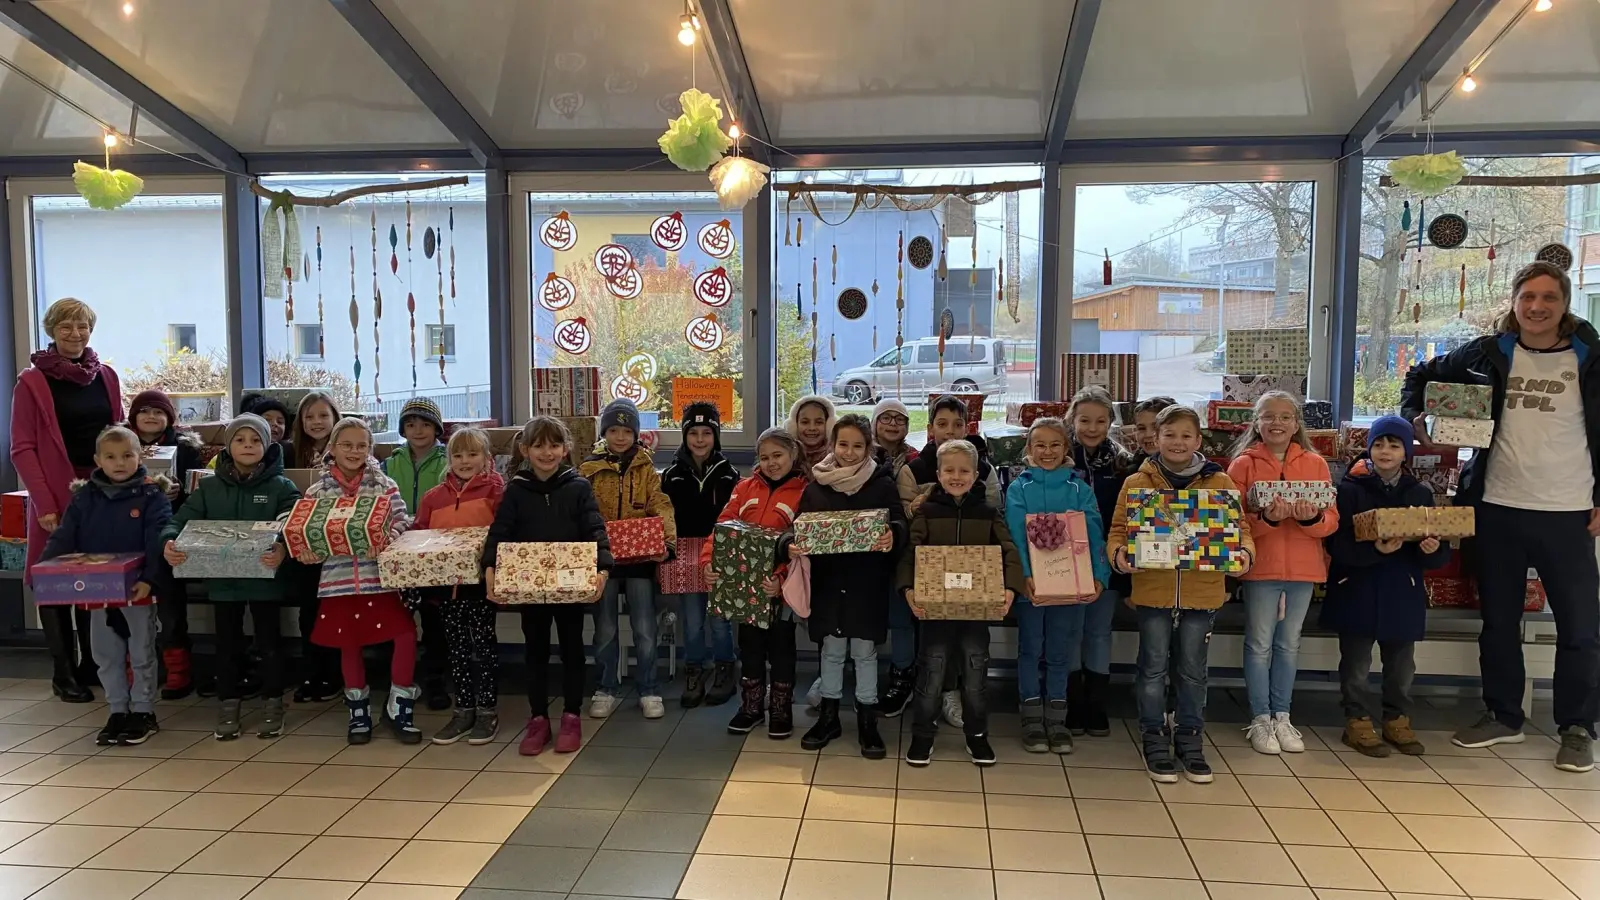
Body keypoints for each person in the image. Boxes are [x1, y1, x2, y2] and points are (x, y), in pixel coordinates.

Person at [1402, 260, 1600, 773]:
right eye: (1527, 297)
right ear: (1514, 302)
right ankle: (1503, 716)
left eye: (1548, 298)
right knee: (1499, 622)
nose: (1537, 307)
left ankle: (1577, 727)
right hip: (1497, 506)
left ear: (1564, 303)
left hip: (1570, 509)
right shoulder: (1489, 353)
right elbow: (1420, 375)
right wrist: (1415, 419)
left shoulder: (1590, 354)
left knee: (1580, 626)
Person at [1110, 404, 1255, 784]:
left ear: (1199, 440)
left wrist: (1243, 556)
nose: (1177, 442)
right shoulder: (1137, 483)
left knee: (1193, 671)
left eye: (1186, 435)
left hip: (1202, 592)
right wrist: (1121, 556)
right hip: (1153, 591)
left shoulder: (1220, 483)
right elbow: (1118, 531)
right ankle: (1153, 734)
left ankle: (1190, 737)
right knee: (1153, 667)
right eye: (1169, 435)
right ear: (1154, 439)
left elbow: (1241, 531)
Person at [10, 298, 123, 702]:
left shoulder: (105, 376)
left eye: (83, 326)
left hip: (98, 490)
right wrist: (45, 504)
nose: (75, 334)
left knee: (91, 576)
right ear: (51, 330)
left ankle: (89, 664)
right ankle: (63, 672)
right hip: (54, 492)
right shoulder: (32, 382)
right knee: (53, 581)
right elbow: (22, 449)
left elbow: (118, 436)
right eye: (66, 327)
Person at [160, 414, 299, 740]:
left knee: (269, 644)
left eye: (255, 441)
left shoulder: (281, 487)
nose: (248, 446)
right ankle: (228, 704)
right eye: (240, 440)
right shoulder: (209, 488)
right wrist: (168, 543)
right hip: (222, 582)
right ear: (228, 446)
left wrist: (282, 548)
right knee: (227, 646)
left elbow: (294, 524)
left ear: (268, 446)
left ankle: (272, 702)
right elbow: (177, 522)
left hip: (266, 580)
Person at [1324, 416, 1449, 757]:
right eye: (1378, 444)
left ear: (1406, 452)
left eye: (1394, 445)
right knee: (1356, 664)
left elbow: (1438, 547)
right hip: (1357, 589)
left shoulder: (1419, 493)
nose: (1385, 451)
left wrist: (1432, 549)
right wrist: (1374, 549)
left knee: (1401, 665)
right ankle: (1358, 721)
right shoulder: (1348, 489)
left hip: (1402, 591)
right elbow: (1336, 545)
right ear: (1369, 447)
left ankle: (1397, 719)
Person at [485, 417, 610, 755]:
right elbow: (499, 533)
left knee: (572, 650)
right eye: (538, 445)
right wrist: (490, 569)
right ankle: (538, 718)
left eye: (554, 445)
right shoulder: (516, 489)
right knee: (535, 651)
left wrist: (602, 570)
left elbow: (595, 531)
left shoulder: (578, 487)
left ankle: (571, 716)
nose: (547, 452)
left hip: (571, 589)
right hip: (530, 590)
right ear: (525, 449)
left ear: (565, 449)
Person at [292, 417, 419, 746]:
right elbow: (308, 532)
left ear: (371, 449)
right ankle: (358, 709)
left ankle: (399, 705)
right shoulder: (317, 491)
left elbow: (403, 518)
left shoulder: (383, 484)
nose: (354, 451)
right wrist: (308, 550)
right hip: (339, 582)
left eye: (362, 445)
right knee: (349, 645)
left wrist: (389, 535)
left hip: (381, 579)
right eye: (346, 445)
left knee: (405, 635)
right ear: (332, 448)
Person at [40, 425, 170, 745]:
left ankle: (142, 711)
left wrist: (150, 580)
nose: (120, 463)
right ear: (98, 460)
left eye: (127, 455)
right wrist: (44, 573)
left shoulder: (152, 494)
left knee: (141, 651)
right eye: (111, 457)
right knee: (105, 653)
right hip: (97, 591)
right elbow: (65, 535)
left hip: (138, 589)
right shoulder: (85, 496)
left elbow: (158, 539)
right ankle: (117, 710)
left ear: (140, 456)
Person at [1227, 391, 1339, 756]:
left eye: (1285, 416)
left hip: (1304, 570)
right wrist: (1268, 520)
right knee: (1259, 644)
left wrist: (1309, 518)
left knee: (1289, 644)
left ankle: (1283, 715)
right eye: (1268, 416)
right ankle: (1260, 718)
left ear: (1296, 424)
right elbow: (1232, 524)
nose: (1277, 423)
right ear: (1256, 422)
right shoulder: (1242, 465)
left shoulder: (1316, 464)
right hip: (1261, 568)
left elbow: (1330, 523)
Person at [901, 439, 1025, 767]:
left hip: (975, 613)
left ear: (975, 474)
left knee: (975, 675)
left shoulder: (987, 512)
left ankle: (977, 736)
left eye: (964, 470)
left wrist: (1011, 588)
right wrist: (908, 590)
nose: (957, 476)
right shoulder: (926, 511)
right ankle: (922, 735)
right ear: (938, 474)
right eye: (949, 470)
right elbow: (911, 554)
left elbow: (1008, 550)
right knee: (931, 672)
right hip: (934, 612)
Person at [793, 414, 905, 758]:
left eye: (858, 446)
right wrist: (793, 544)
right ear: (832, 445)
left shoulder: (882, 485)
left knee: (864, 652)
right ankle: (829, 716)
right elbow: (799, 527)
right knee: (831, 649)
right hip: (828, 585)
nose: (850, 452)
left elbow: (900, 521)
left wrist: (893, 535)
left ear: (869, 447)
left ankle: (867, 719)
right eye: (843, 444)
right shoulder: (816, 487)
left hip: (865, 585)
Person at [1005, 416, 1108, 753]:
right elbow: (1016, 537)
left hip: (1071, 587)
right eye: (1040, 445)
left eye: (1054, 445)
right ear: (1029, 449)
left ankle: (1057, 719)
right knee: (1031, 649)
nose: (1047, 451)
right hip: (1032, 587)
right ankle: (1031, 717)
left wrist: (1099, 576)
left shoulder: (1080, 489)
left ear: (1066, 448)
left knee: (1060, 652)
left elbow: (1094, 535)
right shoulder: (1019, 488)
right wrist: (1024, 578)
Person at [899, 394, 1001, 727]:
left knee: (966, 640)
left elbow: (992, 515)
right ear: (930, 429)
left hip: (973, 571)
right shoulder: (914, 469)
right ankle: (927, 690)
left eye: (958, 424)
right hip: (929, 571)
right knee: (933, 641)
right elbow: (908, 517)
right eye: (942, 424)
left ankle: (953, 692)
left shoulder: (984, 469)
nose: (950, 431)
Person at [579, 399, 677, 720]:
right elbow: (582, 511)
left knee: (645, 628)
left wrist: (667, 541)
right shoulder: (589, 469)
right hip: (603, 564)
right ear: (604, 431)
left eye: (627, 430)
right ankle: (606, 687)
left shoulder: (646, 469)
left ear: (636, 433)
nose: (620, 437)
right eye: (613, 430)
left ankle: (649, 688)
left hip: (640, 563)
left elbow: (660, 505)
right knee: (604, 628)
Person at [709, 428, 808, 738]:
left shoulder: (805, 492)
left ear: (793, 455)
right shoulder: (744, 488)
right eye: (764, 457)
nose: (771, 462)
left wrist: (779, 580)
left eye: (778, 455)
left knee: (782, 648)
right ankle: (751, 706)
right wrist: (708, 564)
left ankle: (781, 707)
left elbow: (802, 544)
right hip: (744, 588)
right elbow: (723, 527)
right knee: (749, 646)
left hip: (779, 590)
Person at [415, 427, 506, 746]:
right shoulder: (433, 498)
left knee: (484, 649)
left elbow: (503, 536)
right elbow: (418, 536)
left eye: (472, 454)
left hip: (480, 587)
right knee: (456, 651)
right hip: (445, 590)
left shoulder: (495, 493)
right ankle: (463, 709)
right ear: (448, 458)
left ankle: (487, 711)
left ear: (485, 457)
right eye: (457, 454)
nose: (465, 460)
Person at [1063, 387, 1134, 737]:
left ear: (1110, 423)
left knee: (1098, 631)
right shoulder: (1059, 458)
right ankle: (1073, 702)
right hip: (1064, 559)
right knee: (1072, 631)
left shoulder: (1123, 462)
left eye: (1100, 421)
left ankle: (1097, 703)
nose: (1092, 428)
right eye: (1084, 420)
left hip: (1106, 559)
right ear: (1071, 420)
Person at [126, 388, 204, 701]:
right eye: (144, 411)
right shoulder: (121, 445)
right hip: (129, 537)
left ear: (169, 418)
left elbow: (196, 492)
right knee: (129, 606)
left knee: (171, 605)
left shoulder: (185, 448)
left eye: (158, 412)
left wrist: (177, 495)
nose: (151, 417)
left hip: (171, 536)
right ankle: (137, 668)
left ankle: (178, 669)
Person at [660, 402, 739, 708]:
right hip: (683, 555)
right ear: (685, 435)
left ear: (716, 436)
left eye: (707, 432)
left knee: (720, 620)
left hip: (719, 556)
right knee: (692, 621)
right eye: (693, 432)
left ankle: (725, 667)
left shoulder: (729, 473)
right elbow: (664, 516)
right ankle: (695, 668)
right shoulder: (672, 474)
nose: (700, 439)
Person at [383, 397, 451, 711]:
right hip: (397, 551)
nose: (418, 430)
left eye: (425, 424)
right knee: (399, 618)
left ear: (437, 428)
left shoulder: (447, 460)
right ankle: (400, 680)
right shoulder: (390, 463)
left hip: (435, 551)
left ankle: (436, 679)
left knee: (435, 618)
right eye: (411, 424)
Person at [287, 390, 343, 705]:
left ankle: (333, 674)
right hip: (303, 545)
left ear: (335, 418)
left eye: (323, 415)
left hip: (336, 545)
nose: (317, 422)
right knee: (309, 612)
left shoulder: (346, 453)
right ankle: (312, 672)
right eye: (310, 416)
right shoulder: (287, 453)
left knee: (333, 610)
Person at [872, 398, 920, 716]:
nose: (892, 424)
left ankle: (903, 676)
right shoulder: (859, 453)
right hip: (865, 552)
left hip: (903, 549)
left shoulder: (916, 460)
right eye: (885, 418)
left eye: (899, 419)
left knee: (902, 619)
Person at [786, 395, 836, 474]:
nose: (812, 428)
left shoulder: (836, 458)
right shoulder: (785, 456)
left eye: (819, 422)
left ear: (829, 425)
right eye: (805, 422)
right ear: (795, 425)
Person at [1130, 396, 1178, 465]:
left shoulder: (1196, 471)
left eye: (1156, 427)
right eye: (1141, 428)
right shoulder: (1128, 471)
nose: (1148, 434)